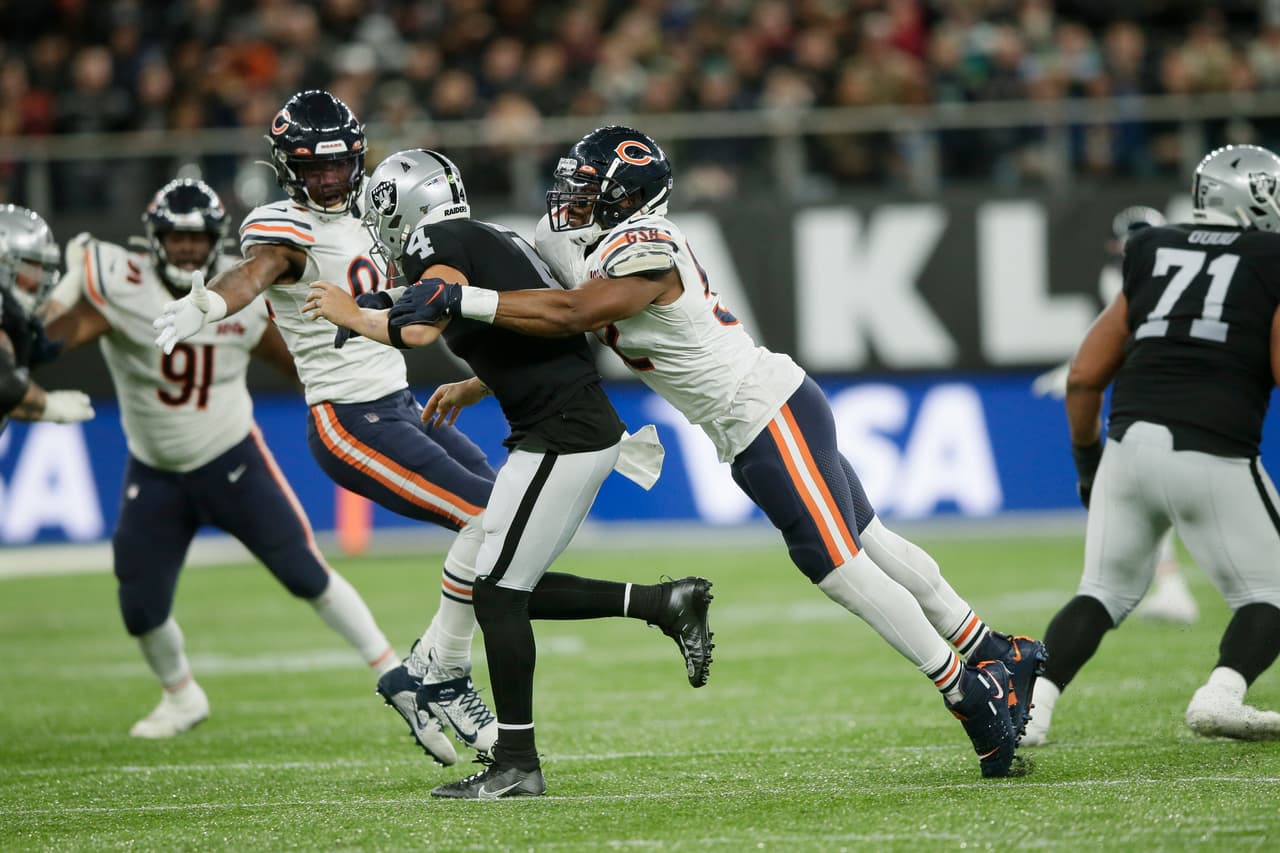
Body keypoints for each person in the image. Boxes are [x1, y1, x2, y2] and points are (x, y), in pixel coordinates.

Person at [391, 125, 1048, 778]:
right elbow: (565, 324)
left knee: (837, 565)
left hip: (766, 410)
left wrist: (461, 297)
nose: (572, 199)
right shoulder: (579, 239)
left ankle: (967, 690)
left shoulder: (645, 239)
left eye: (590, 188)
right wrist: (483, 380)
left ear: (628, 196)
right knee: (871, 541)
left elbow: (574, 313)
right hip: (752, 421)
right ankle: (994, 648)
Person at [304, 147, 715, 799]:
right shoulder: (485, 236)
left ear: (395, 206)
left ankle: (516, 761)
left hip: (565, 433)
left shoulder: (436, 241)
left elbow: (421, 322)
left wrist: (354, 313)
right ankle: (665, 602)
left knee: (496, 591)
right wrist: (476, 382)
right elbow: (517, 328)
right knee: (496, 583)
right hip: (562, 425)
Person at [150, 90, 500, 764]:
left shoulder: (379, 210)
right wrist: (206, 305)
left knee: (508, 520)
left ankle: (416, 672)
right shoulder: (286, 227)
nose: (329, 180)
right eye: (314, 169)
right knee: (486, 519)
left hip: (401, 402)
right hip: (348, 417)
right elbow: (253, 274)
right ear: (290, 169)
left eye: (338, 166)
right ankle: (444, 675)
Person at [41, 178, 399, 738]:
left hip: (231, 457)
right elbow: (54, 338)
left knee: (305, 572)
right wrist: (25, 371)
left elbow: (300, 365)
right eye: (175, 237)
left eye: (197, 237)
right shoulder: (123, 287)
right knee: (139, 604)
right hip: (154, 467)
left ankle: (395, 673)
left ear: (216, 240)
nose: (186, 248)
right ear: (153, 238)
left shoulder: (241, 291)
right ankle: (181, 696)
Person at [1023, 144, 1280, 746]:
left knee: (1101, 593)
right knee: (1270, 593)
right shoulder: (1271, 256)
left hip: (1128, 447)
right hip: (1213, 451)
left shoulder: (1151, 247)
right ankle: (1221, 695)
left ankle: (1028, 712)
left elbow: (1085, 375)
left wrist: (1089, 464)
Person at [1032, 204, 1199, 625]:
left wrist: (1075, 370)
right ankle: (1168, 586)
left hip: (1153, 398)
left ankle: (1156, 588)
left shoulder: (1124, 277)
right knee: (1153, 497)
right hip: (1187, 394)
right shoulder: (1185, 268)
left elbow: (1122, 338)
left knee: (1145, 495)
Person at [0, 205, 94, 434]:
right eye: (30, 267)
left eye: (42, 268)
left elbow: (37, 336)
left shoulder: (11, 319)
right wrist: (51, 407)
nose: (39, 279)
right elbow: (6, 387)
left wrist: (74, 284)